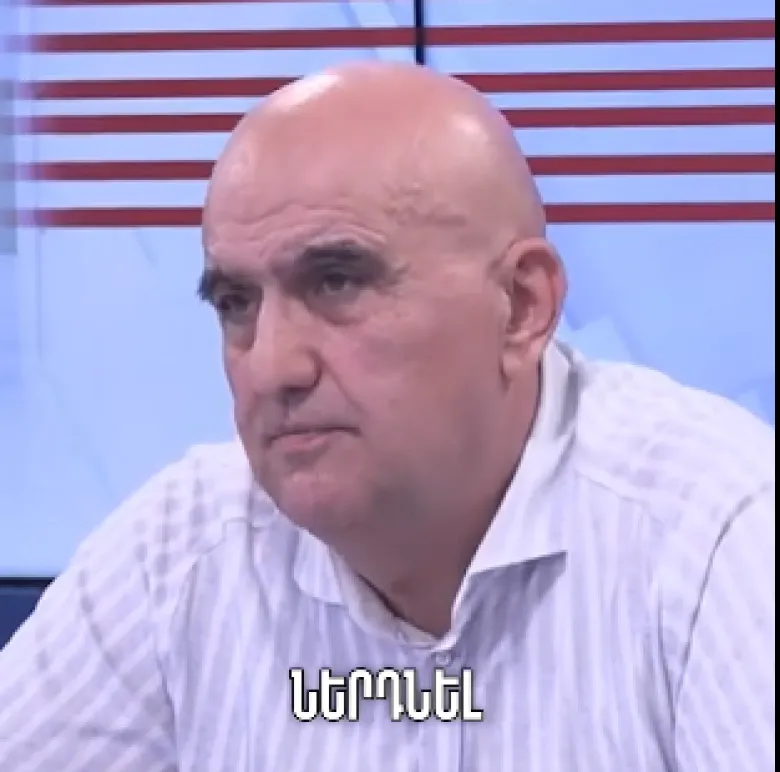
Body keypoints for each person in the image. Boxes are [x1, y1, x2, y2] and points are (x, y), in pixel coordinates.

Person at [0, 61, 774, 772]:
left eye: (337, 282)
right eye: (236, 303)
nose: (271, 367)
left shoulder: (714, 534)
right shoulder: (183, 551)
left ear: (521, 307)